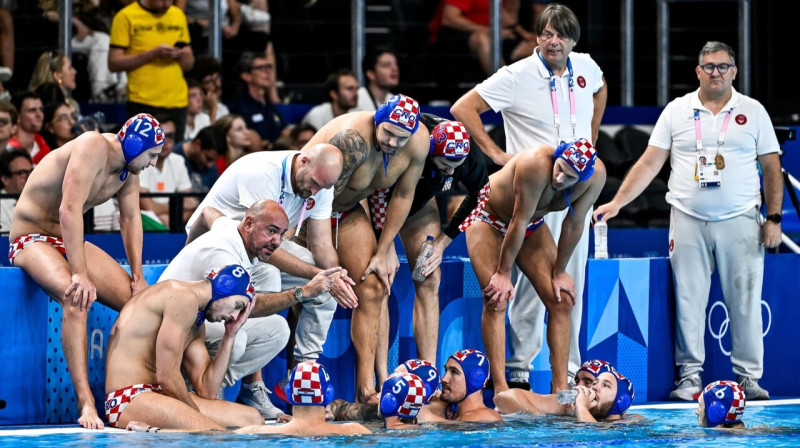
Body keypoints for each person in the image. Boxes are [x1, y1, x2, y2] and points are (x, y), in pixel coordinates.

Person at [593, 41, 781, 401]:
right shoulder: (677, 111)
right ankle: (690, 377)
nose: (716, 73)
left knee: (745, 301)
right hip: (688, 218)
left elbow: (772, 168)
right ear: (697, 71)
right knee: (689, 301)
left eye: (723, 67)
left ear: (734, 71)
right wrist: (618, 202)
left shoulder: (753, 111)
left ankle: (748, 378)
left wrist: (772, 218)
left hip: (741, 219)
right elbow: (649, 162)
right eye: (709, 66)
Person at [451, 2, 606, 393]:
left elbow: (601, 90)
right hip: (516, 199)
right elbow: (462, 107)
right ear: (537, 36)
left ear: (574, 40)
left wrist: (592, 134)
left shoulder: (586, 68)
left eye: (562, 35)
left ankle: (564, 380)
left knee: (564, 287)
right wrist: (497, 154)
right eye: (547, 34)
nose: (554, 42)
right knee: (505, 292)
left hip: (560, 195)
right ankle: (513, 375)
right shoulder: (517, 75)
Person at [8, 113, 164, 428]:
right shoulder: (93, 145)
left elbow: (131, 219)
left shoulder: (128, 171)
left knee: (141, 306)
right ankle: (86, 404)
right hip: (31, 237)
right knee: (76, 297)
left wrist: (138, 278)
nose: (153, 164)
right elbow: (68, 208)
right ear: (134, 145)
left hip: (67, 239)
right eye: (152, 156)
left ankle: (138, 392)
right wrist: (79, 272)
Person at [184, 144, 357, 390]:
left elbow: (321, 245)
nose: (315, 191)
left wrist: (336, 277)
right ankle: (218, 384)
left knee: (326, 287)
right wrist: (318, 275)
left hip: (257, 253)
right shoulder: (262, 172)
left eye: (323, 188)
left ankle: (303, 378)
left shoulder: (321, 187)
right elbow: (261, 246)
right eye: (315, 183)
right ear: (304, 161)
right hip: (218, 251)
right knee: (275, 276)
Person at [161, 199, 343, 419]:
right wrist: (302, 292)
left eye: (281, 234)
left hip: (199, 321)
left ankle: (212, 385)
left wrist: (189, 247)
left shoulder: (230, 227)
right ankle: (203, 391)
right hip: (172, 325)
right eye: (271, 231)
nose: (277, 241)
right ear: (248, 224)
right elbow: (244, 309)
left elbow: (206, 213)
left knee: (278, 329)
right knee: (236, 341)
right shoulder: (225, 257)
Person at [304, 93, 429, 403]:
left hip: (346, 211)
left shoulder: (418, 141)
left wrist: (384, 249)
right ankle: (298, 379)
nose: (393, 142)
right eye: (387, 132)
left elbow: (402, 195)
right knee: (309, 287)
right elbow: (317, 195)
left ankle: (366, 390)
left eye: (401, 137)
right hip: (306, 209)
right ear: (378, 119)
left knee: (372, 286)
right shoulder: (351, 140)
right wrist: (330, 267)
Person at [460, 138, 604, 394]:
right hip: (488, 216)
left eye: (569, 177)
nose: (559, 179)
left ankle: (560, 391)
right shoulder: (535, 163)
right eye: (559, 168)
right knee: (497, 297)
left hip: (531, 226)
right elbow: (518, 220)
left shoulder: (595, 178)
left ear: (584, 177)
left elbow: (574, 224)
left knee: (562, 300)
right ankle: (502, 389)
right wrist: (503, 273)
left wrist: (559, 272)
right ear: (556, 156)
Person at [367, 115, 488, 364]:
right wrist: (384, 246)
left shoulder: (468, 153)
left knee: (428, 276)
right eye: (445, 164)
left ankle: (428, 372)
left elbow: (481, 195)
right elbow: (377, 192)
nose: (452, 171)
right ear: (430, 151)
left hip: (418, 205)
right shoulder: (407, 142)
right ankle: (378, 377)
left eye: (458, 165)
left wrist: (443, 243)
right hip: (374, 202)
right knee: (378, 280)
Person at [105, 264, 263, 430]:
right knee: (215, 433)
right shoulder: (182, 297)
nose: (234, 316)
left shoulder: (197, 321)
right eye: (238, 305)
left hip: (160, 396)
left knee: (254, 420)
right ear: (224, 286)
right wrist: (198, 418)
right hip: (128, 400)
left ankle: (161, 432)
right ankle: (158, 433)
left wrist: (229, 335)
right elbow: (167, 378)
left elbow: (207, 390)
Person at [109, 0, 194, 139]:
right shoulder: (125, 16)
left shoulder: (178, 15)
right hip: (143, 100)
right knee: (144, 156)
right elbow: (113, 63)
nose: (167, 4)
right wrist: (153, 54)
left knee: (173, 155)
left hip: (178, 100)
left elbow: (188, 65)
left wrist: (183, 55)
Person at [237, 361, 371, 435]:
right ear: (328, 394)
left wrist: (296, 423)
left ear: (289, 394)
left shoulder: (253, 431)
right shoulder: (353, 431)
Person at [494, 368, 634, 423]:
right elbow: (502, 397)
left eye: (606, 385)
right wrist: (538, 418)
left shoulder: (629, 425)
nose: (594, 387)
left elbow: (594, 440)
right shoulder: (567, 406)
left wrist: (582, 408)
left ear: (620, 402)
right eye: (595, 382)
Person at [138, 115, 197, 228]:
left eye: (170, 136)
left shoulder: (178, 161)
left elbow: (192, 203)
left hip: (171, 222)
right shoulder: (139, 161)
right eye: (159, 136)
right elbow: (147, 207)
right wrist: (179, 206)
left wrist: (170, 221)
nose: (165, 142)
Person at [418, 349, 503, 423]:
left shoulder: (489, 417)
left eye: (454, 372)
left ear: (474, 380)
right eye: (446, 370)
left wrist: (427, 417)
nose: (443, 379)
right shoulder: (447, 410)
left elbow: (463, 426)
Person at [228, 51, 287, 148]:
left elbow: (285, 131)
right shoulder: (241, 108)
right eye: (261, 69)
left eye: (268, 67)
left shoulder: (269, 105)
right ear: (246, 76)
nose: (267, 72)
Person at [172, 125, 224, 193]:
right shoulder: (173, 157)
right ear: (197, 144)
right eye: (208, 158)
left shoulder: (211, 165)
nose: (210, 165)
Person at [7, 91, 49, 164]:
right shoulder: (6, 148)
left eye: (41, 110)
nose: (39, 115)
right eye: (32, 110)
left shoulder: (45, 149)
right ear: (18, 116)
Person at [352, 46, 398, 112]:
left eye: (396, 64)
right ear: (371, 74)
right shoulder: (357, 98)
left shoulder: (394, 101)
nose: (395, 68)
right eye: (386, 65)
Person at [0, 149, 31, 234]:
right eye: (22, 173)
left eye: (31, 172)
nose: (29, 177)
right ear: (5, 179)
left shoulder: (40, 201)